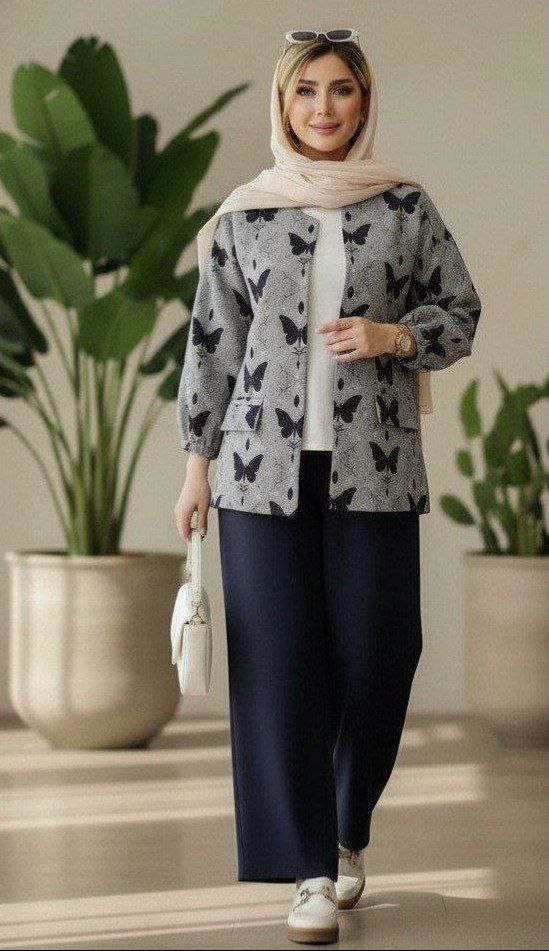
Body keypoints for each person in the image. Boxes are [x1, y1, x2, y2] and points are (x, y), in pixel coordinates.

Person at [174, 28, 481, 945]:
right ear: (282, 104)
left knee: (383, 654)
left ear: (363, 101)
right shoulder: (245, 215)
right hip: (255, 476)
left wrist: (391, 336)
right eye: (305, 91)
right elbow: (212, 346)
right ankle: (307, 868)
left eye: (340, 89)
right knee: (277, 668)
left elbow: (459, 313)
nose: (322, 107)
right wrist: (195, 469)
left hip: (374, 470)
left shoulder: (405, 206)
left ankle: (347, 827)